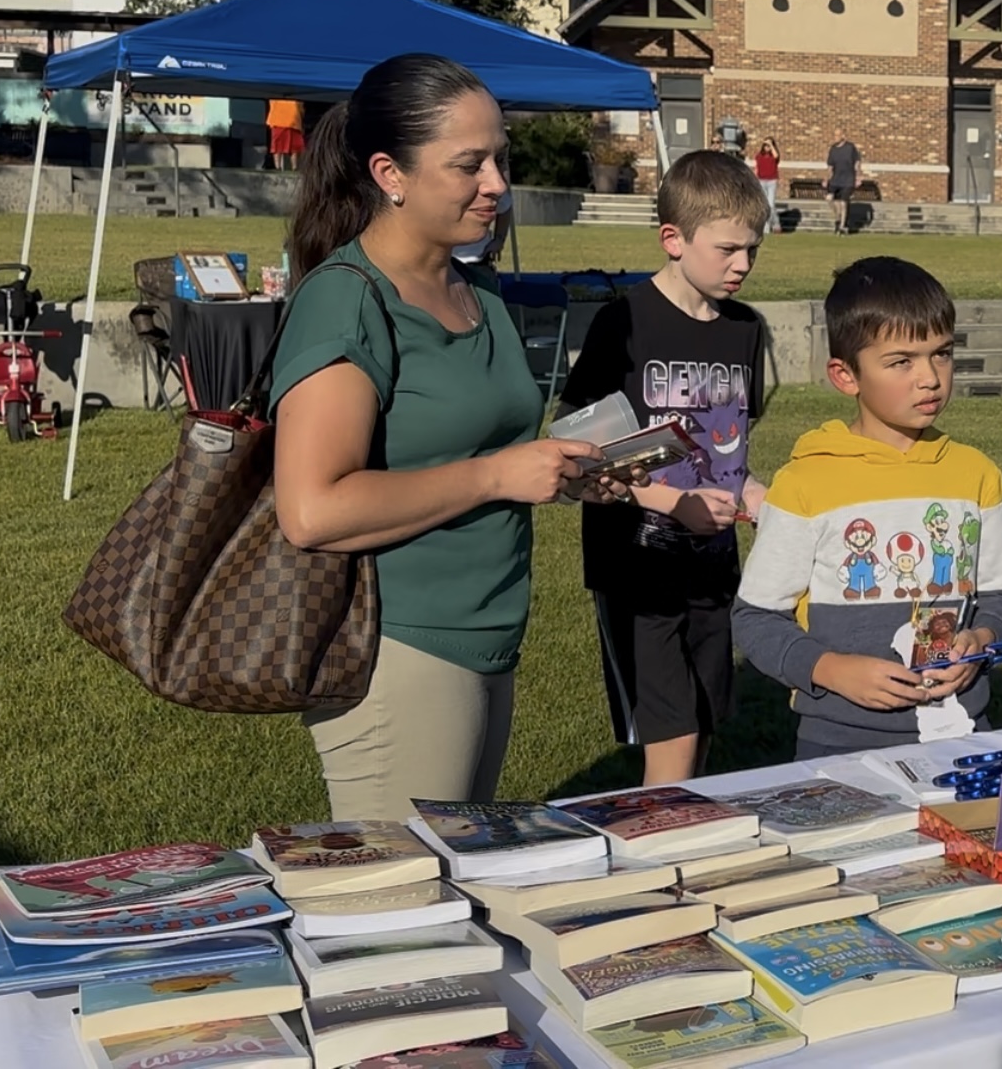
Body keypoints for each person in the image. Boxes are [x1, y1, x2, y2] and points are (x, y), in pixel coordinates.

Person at [270, 53, 618, 821]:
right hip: (398, 647)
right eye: (470, 164)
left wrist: (560, 469)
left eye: (500, 158)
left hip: (490, 636)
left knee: (460, 884)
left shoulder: (478, 290)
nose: (497, 183)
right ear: (390, 174)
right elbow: (313, 510)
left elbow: (475, 447)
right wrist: (497, 476)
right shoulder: (346, 302)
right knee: (403, 909)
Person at [732, 257, 1002, 758]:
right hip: (839, 746)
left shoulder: (978, 475)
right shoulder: (805, 482)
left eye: (942, 354)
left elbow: (1000, 596)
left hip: (964, 735)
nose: (930, 378)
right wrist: (830, 670)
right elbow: (755, 618)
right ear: (846, 376)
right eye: (901, 362)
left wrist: (981, 638)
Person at [558, 151, 770, 784]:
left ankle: (687, 856)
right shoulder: (622, 323)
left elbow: (730, 453)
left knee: (702, 725)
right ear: (673, 239)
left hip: (712, 565)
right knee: (671, 740)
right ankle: (657, 867)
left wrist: (756, 494)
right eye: (728, 249)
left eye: (753, 250)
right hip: (638, 567)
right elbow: (578, 461)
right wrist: (671, 502)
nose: (743, 265)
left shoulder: (745, 330)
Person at [825, 130, 862, 235]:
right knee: (829, 199)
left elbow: (857, 162)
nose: (835, 137)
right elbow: (830, 166)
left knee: (843, 202)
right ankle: (838, 217)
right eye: (834, 135)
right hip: (835, 179)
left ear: (843, 136)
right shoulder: (833, 149)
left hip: (848, 180)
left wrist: (858, 177)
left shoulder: (850, 148)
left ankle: (842, 226)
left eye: (837, 135)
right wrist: (827, 178)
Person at [267, 98, 306, 171]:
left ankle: (278, 167)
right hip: (292, 120)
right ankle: (295, 167)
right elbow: (300, 108)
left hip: (277, 119)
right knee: (294, 148)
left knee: (277, 146)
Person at [753, 138, 782, 234]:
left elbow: (776, 156)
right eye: (765, 145)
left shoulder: (773, 156)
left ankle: (774, 224)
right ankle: (769, 225)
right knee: (765, 205)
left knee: (771, 204)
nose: (767, 147)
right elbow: (756, 168)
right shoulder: (759, 156)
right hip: (761, 181)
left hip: (771, 181)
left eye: (769, 145)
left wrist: (771, 145)